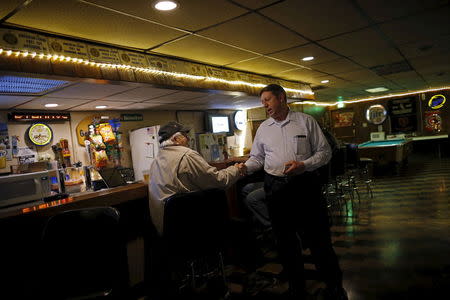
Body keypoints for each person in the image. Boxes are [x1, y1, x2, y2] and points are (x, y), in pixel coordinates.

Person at [244, 84, 347, 300]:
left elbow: (324, 153)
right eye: (262, 101)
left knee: (319, 239)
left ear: (281, 98)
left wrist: (304, 165)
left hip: (304, 185)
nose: (264, 105)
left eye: (267, 100)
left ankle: (334, 287)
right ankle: (297, 288)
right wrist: (243, 168)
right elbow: (257, 158)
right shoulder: (263, 128)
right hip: (275, 188)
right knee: (285, 243)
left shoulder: (305, 121)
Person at [148, 121, 246, 235]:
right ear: (175, 139)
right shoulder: (187, 155)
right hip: (192, 225)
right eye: (185, 136)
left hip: (166, 227)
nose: (188, 139)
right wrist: (237, 169)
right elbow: (219, 180)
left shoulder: (155, 161)